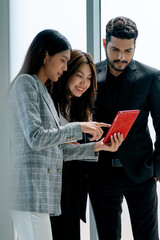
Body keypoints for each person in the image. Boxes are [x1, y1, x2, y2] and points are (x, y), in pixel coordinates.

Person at [8, 29, 122, 240]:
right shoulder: (26, 83)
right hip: (29, 191)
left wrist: (98, 146)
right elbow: (36, 138)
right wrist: (78, 128)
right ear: (45, 56)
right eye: (62, 60)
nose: (65, 68)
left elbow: (53, 149)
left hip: (40, 194)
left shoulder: (41, 89)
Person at [88, 16, 160, 240]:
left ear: (135, 46)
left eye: (128, 50)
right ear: (105, 44)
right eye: (115, 50)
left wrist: (157, 170)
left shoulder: (151, 77)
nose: (121, 57)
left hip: (141, 173)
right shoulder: (90, 75)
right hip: (101, 174)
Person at [48, 49, 123, 239]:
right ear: (67, 72)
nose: (84, 83)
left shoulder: (81, 106)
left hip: (72, 181)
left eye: (89, 78)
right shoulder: (49, 101)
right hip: (51, 182)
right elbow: (51, 147)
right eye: (79, 76)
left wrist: (101, 146)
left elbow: (72, 150)